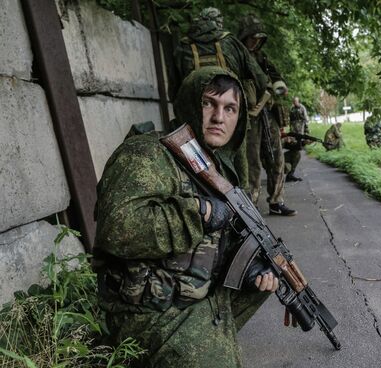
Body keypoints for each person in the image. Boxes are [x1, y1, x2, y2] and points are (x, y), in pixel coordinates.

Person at [94, 67, 279, 368]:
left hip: (192, 292)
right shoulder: (148, 154)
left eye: (230, 108)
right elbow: (117, 228)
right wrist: (201, 213)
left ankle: (213, 337)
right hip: (147, 312)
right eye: (210, 103)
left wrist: (251, 269)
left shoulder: (219, 167)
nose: (219, 117)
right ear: (191, 103)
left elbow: (224, 241)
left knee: (262, 284)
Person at [171, 7, 269, 194]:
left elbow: (174, 92)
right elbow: (260, 79)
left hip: (191, 126)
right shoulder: (230, 42)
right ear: (219, 22)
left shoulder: (182, 46)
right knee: (239, 173)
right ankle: (243, 205)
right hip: (232, 124)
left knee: (195, 173)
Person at [238, 15, 296, 216]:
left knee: (276, 157)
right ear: (244, 37)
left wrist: (278, 86)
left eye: (258, 39)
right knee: (251, 161)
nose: (255, 42)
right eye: (252, 38)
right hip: (248, 117)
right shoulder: (236, 57)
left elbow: (277, 78)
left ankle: (276, 201)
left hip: (266, 113)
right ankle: (251, 205)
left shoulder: (262, 58)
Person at [284, 97, 310, 182]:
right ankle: (290, 173)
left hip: (300, 131)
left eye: (295, 101)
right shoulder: (292, 108)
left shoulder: (302, 108)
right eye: (293, 101)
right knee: (295, 150)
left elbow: (306, 120)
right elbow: (289, 121)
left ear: (298, 101)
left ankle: (291, 173)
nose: (294, 102)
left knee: (297, 149)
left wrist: (306, 132)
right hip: (293, 132)